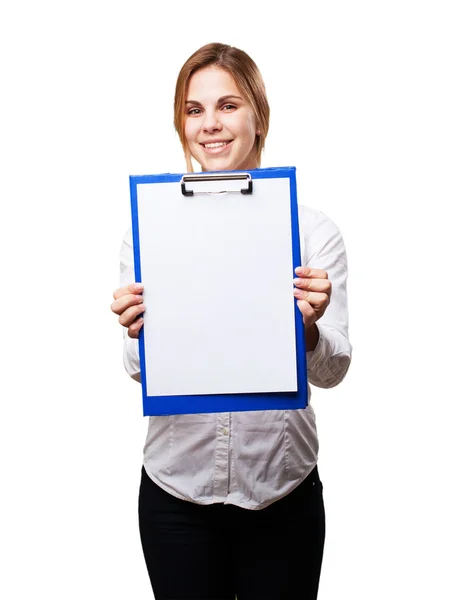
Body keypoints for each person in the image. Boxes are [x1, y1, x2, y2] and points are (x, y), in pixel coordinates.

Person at [111, 42, 351, 600]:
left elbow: (334, 370)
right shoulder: (148, 226)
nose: (210, 125)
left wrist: (310, 328)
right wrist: (138, 333)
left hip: (281, 491)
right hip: (178, 492)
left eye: (228, 105)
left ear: (258, 116)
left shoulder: (313, 231)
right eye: (194, 110)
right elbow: (136, 370)